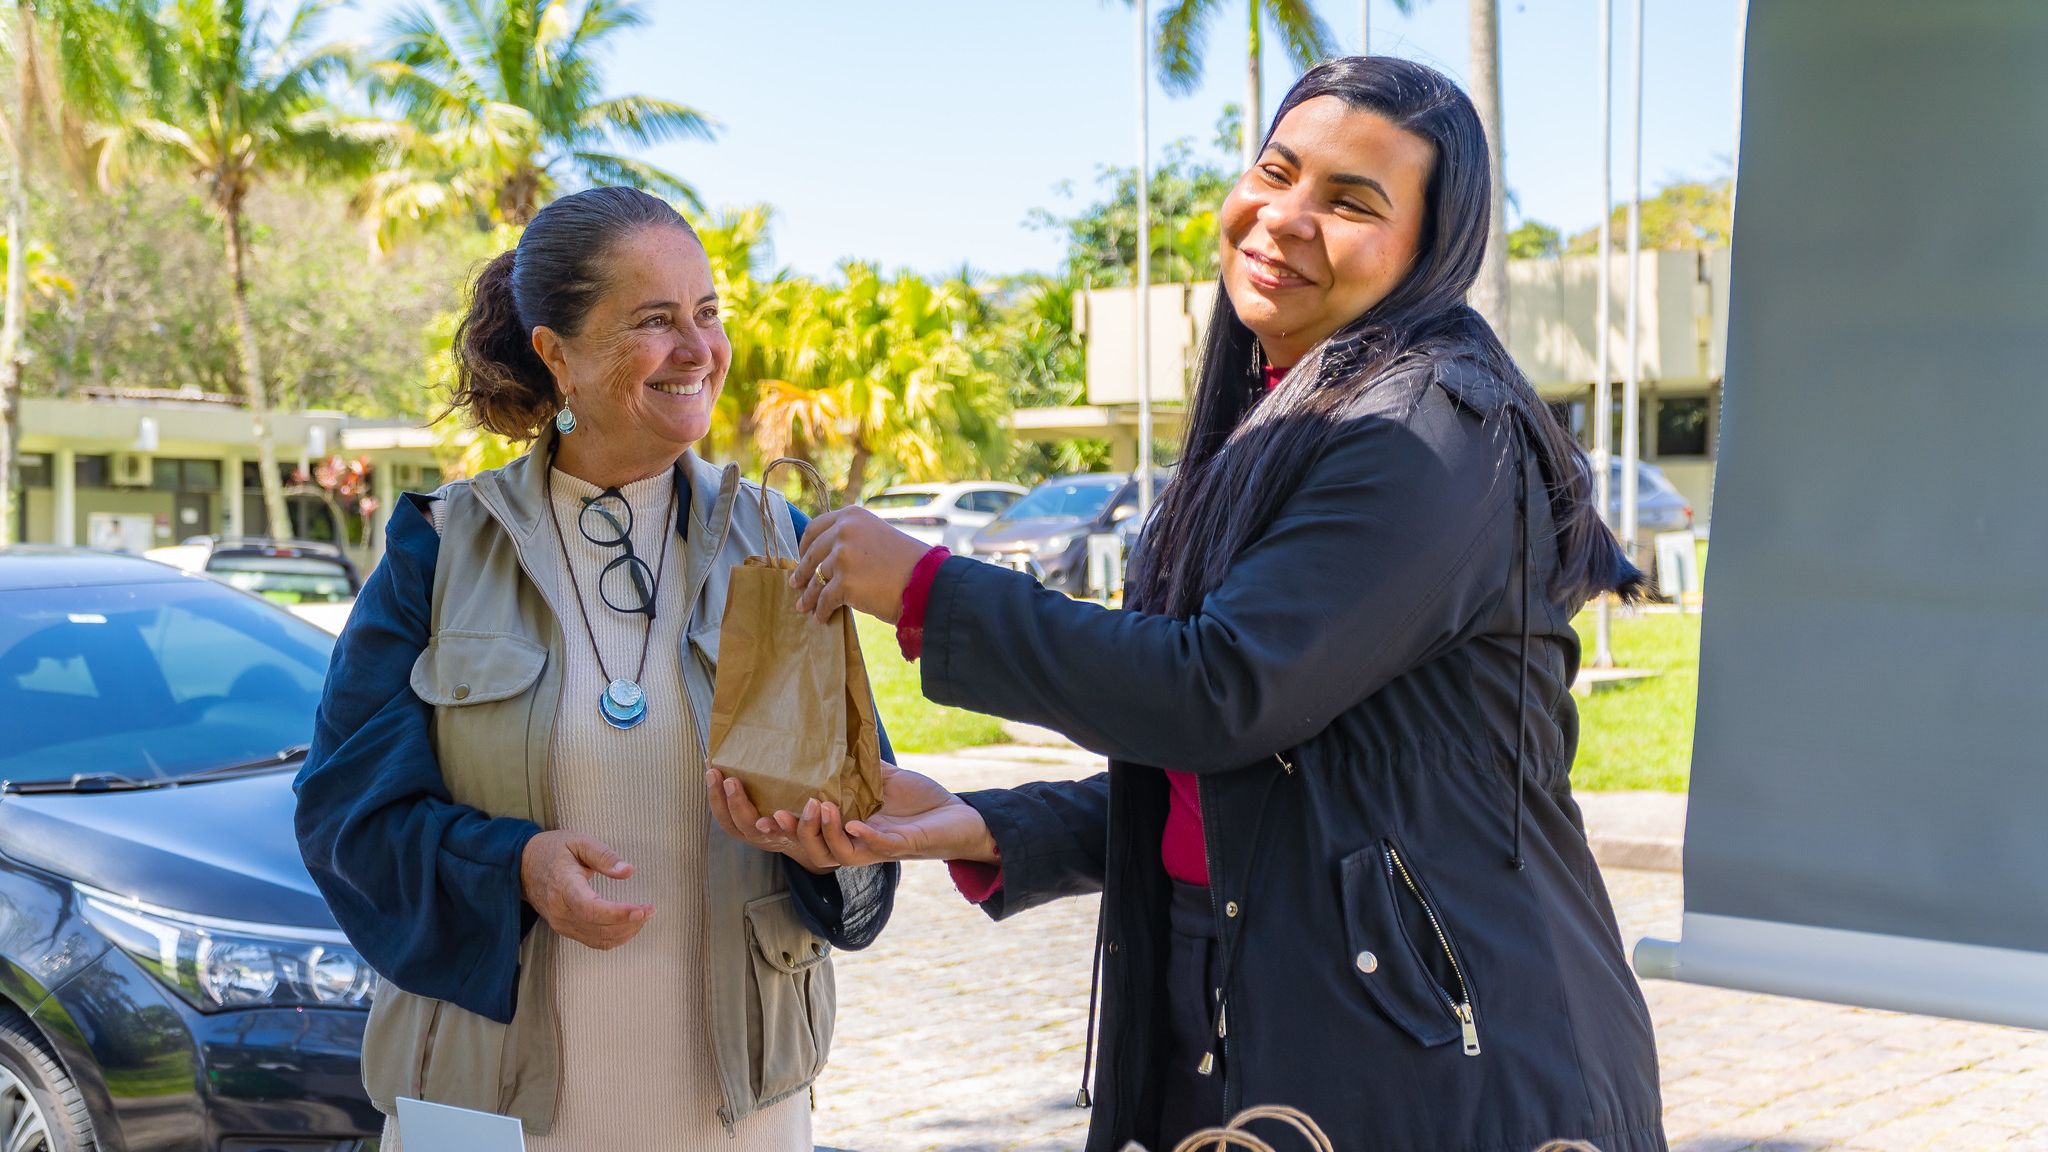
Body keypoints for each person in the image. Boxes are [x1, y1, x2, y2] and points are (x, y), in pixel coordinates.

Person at [706, 58, 1665, 1152]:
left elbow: (1219, 692)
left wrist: (926, 587)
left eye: (1352, 203)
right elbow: (1272, 781)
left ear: (1425, 251)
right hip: (1287, 1009)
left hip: (1443, 1059)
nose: (1286, 218)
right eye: (1277, 169)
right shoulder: (1283, 411)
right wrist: (977, 821)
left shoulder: (1426, 428)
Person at [295, 186, 897, 1151]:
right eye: (653, 321)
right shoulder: (438, 551)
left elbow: (859, 808)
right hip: (479, 1111)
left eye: (707, 313)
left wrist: (833, 847)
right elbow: (344, 820)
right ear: (555, 353)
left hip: (731, 1111)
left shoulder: (779, 542)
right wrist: (515, 867)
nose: (697, 349)